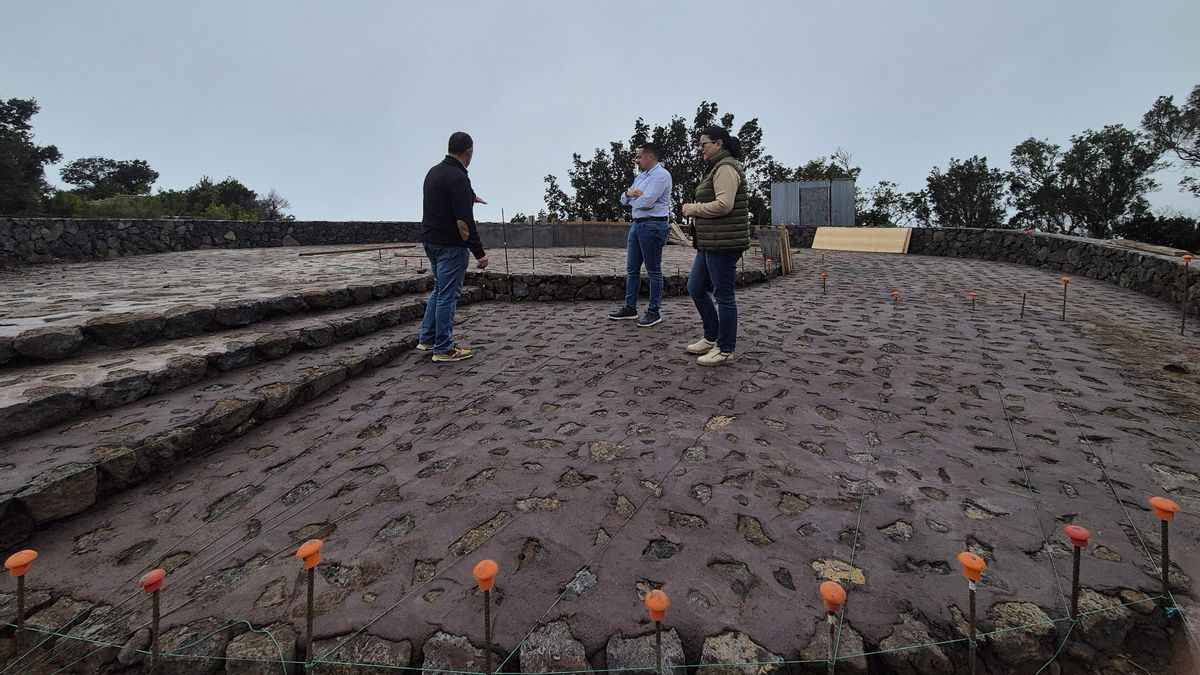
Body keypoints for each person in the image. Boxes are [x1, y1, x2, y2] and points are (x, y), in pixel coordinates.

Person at [681, 127, 751, 367]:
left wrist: (693, 209)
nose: (701, 149)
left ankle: (725, 349)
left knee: (724, 295)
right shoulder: (717, 168)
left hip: (724, 242)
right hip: (711, 242)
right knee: (695, 287)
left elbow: (724, 205)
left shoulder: (726, 168)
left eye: (704, 144)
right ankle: (712, 337)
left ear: (718, 144)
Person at [417, 131, 489, 362]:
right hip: (450, 245)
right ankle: (444, 348)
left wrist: (471, 196)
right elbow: (463, 222)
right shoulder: (459, 178)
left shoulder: (435, 171)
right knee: (448, 295)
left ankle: (427, 339)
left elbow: (447, 195)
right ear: (468, 151)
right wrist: (479, 252)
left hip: (431, 241)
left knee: (439, 291)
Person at [609, 143, 673, 327]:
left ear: (650, 157)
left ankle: (654, 311)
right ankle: (630, 308)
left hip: (653, 225)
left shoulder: (661, 175)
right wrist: (629, 194)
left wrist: (631, 197)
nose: (637, 160)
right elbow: (623, 198)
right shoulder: (641, 177)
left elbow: (646, 201)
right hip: (637, 225)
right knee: (632, 270)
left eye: (639, 156)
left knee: (653, 271)